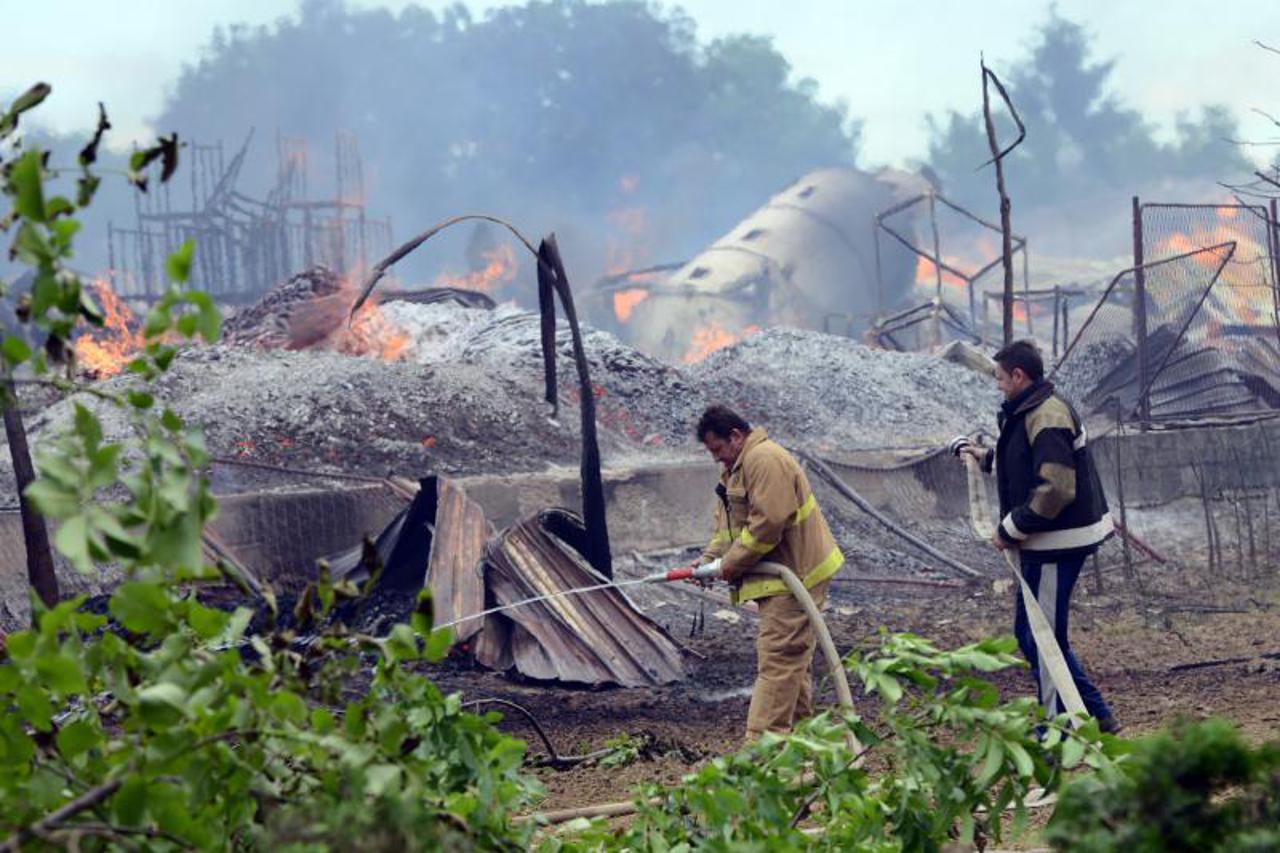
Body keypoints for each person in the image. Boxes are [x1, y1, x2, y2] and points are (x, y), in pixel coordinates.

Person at [958, 340, 1121, 733]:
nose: (997, 385)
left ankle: (1056, 730)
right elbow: (1024, 461)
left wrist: (1010, 528)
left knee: (1041, 637)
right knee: (1034, 635)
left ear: (1019, 375)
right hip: (1046, 542)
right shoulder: (1031, 409)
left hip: (1056, 543)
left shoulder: (1047, 414)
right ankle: (1097, 715)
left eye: (1000, 377)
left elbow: (1056, 489)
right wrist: (980, 457)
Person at [691, 405, 845, 740]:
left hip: (797, 576)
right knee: (791, 664)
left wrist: (729, 566)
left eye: (718, 450)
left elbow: (768, 524)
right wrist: (706, 562)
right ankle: (804, 749)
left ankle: (760, 757)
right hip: (781, 580)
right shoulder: (736, 469)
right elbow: (729, 532)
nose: (717, 459)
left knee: (778, 661)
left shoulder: (764, 459)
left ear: (736, 436)